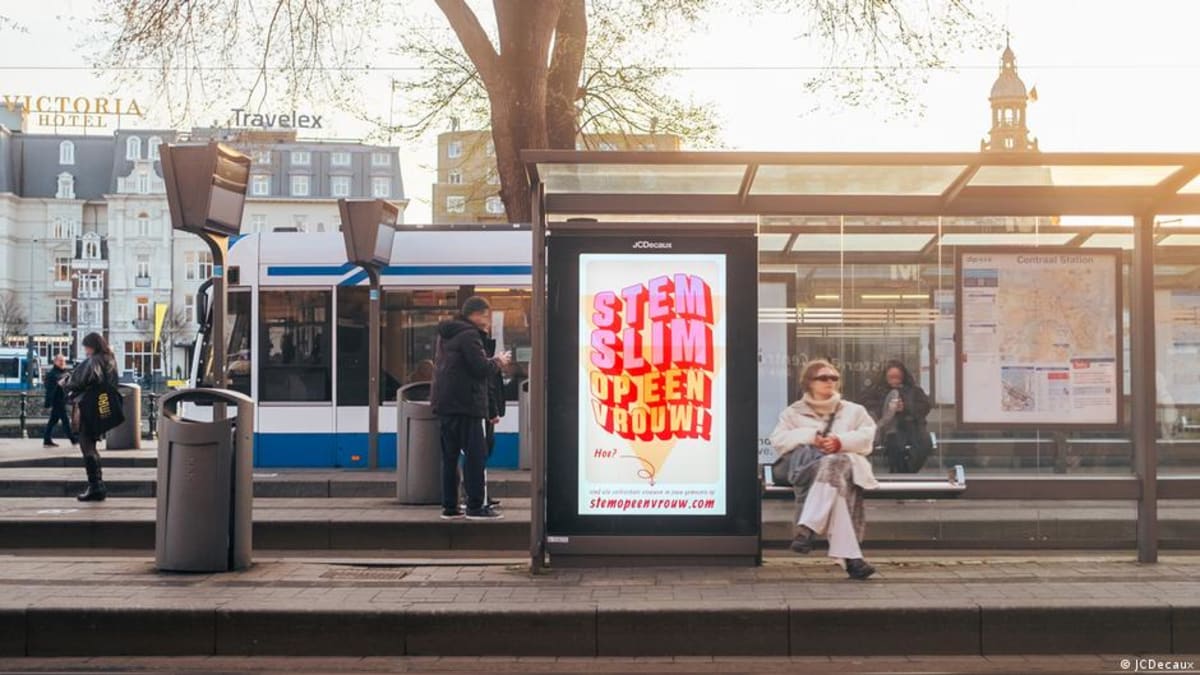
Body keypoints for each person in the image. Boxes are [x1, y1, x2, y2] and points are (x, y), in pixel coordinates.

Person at [769, 359, 879, 580]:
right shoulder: (793, 412)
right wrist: (811, 437)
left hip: (849, 465)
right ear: (809, 382)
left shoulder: (854, 410)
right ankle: (852, 561)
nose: (830, 381)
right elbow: (779, 440)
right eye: (823, 377)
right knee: (834, 488)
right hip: (810, 469)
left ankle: (808, 527)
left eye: (834, 378)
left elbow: (867, 437)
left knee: (834, 463)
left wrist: (840, 442)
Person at [431, 296, 511, 521]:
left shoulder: (447, 335)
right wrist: (498, 361)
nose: (487, 320)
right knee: (475, 456)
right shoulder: (469, 335)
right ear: (475, 314)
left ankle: (450, 507)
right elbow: (480, 368)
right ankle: (475, 506)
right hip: (467, 404)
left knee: (449, 457)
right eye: (485, 315)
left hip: (446, 404)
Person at [62, 333, 120, 502]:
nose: (85, 351)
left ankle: (95, 486)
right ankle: (98, 485)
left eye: (86, 347)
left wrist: (65, 381)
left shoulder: (94, 360)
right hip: (101, 406)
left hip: (87, 406)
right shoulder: (110, 359)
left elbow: (78, 380)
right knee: (92, 445)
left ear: (92, 346)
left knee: (86, 445)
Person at [858, 360, 932, 474]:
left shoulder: (913, 389)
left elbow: (925, 406)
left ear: (903, 377)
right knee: (895, 446)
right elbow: (864, 404)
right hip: (889, 428)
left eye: (897, 377)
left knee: (925, 444)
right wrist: (887, 407)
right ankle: (899, 474)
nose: (894, 380)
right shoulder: (876, 389)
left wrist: (906, 407)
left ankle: (907, 472)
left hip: (912, 426)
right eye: (891, 377)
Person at [42, 354, 77, 448]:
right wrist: (59, 384)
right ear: (55, 362)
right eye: (60, 361)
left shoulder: (65, 373)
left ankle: (47, 439)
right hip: (57, 400)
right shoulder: (52, 374)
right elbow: (49, 388)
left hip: (62, 399)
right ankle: (73, 439)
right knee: (65, 420)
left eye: (63, 361)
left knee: (53, 420)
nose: (62, 363)